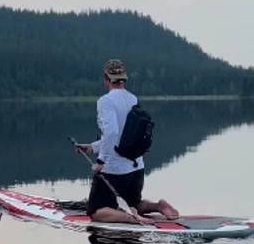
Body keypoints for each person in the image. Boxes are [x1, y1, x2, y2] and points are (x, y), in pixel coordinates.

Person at [73, 59, 179, 224]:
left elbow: (112, 132)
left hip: (115, 170)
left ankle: (131, 217)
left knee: (95, 212)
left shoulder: (105, 101)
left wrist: (101, 161)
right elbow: (122, 135)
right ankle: (158, 206)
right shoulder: (133, 99)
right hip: (137, 168)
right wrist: (92, 148)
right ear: (124, 79)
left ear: (106, 79)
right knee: (133, 202)